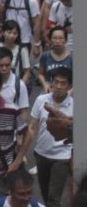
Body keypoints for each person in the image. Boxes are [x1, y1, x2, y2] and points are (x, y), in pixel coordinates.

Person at [25, 66, 72, 207]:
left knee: (53, 198)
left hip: (62, 156)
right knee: (45, 195)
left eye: (63, 83)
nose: (58, 86)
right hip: (41, 154)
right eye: (56, 82)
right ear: (51, 82)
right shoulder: (41, 100)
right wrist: (21, 153)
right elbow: (32, 127)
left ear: (69, 86)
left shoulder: (75, 105)